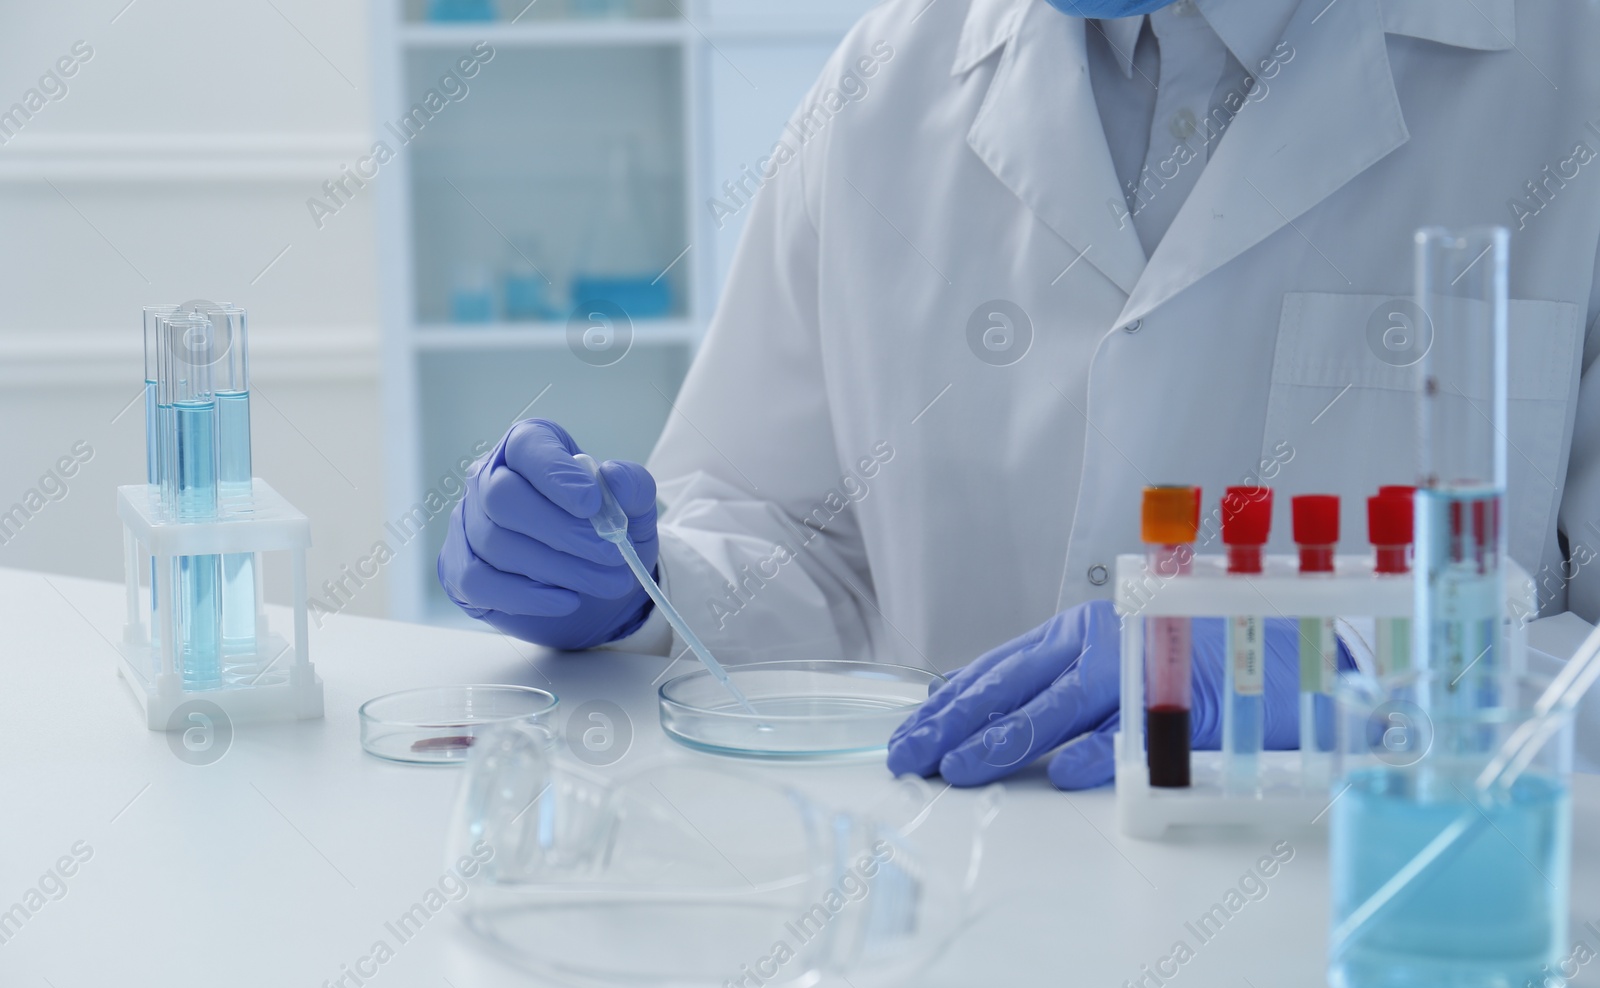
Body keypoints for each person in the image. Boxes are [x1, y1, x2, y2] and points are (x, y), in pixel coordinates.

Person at [440, 0, 1600, 786]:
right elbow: (798, 531)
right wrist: (635, 582)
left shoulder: (1564, 67)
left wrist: (1358, 667)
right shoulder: (886, 81)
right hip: (959, 961)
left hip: (1404, 972)